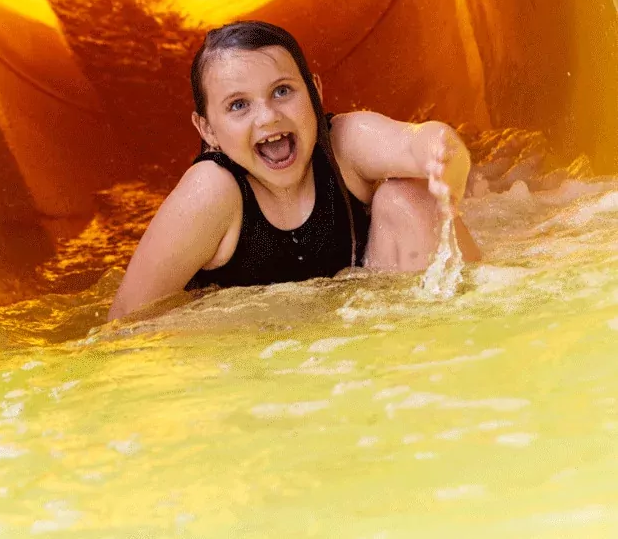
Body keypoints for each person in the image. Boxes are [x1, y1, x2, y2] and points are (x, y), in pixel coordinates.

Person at [108, 21, 480, 321]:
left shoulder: (346, 144)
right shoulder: (212, 192)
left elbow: (418, 142)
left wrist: (443, 157)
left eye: (283, 91)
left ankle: (451, 335)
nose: (268, 116)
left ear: (315, 91)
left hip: (371, 332)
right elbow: (126, 321)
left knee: (410, 195)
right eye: (238, 105)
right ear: (207, 130)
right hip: (260, 363)